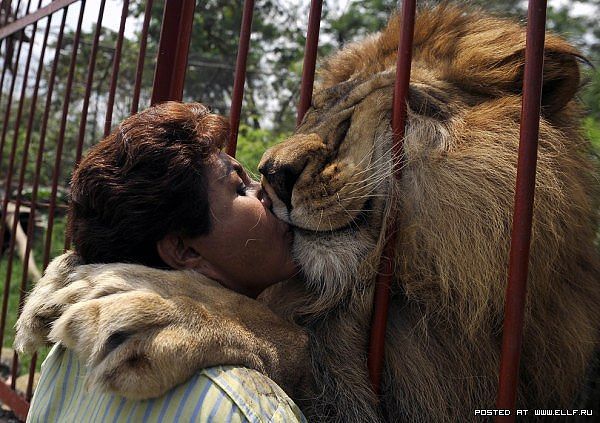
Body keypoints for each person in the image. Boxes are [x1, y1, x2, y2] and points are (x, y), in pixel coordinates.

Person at [22, 102, 307, 422]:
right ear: (185, 252)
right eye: (240, 188)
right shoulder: (245, 406)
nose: (266, 193)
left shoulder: (69, 357)